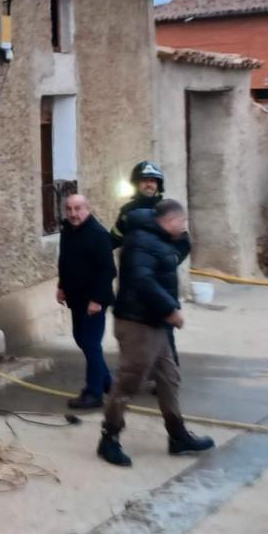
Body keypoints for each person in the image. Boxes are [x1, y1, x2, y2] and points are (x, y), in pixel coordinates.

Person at [97, 199, 215, 467]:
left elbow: (170, 262)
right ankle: (109, 438)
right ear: (171, 220)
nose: (184, 227)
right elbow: (142, 280)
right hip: (137, 324)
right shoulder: (142, 241)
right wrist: (170, 309)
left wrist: (184, 240)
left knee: (169, 377)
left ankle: (178, 436)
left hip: (155, 324)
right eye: (182, 222)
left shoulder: (159, 239)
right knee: (128, 382)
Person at [111, 160, 189, 372]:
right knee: (136, 330)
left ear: (159, 184)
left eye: (153, 181)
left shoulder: (166, 210)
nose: (149, 185)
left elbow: (184, 243)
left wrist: (170, 260)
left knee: (164, 329)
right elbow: (113, 239)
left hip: (161, 283)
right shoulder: (127, 212)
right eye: (144, 180)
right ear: (137, 183)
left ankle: (169, 373)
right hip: (134, 283)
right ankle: (139, 372)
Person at [56, 193, 116, 409]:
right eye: (69, 209)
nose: (73, 213)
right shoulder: (67, 231)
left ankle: (94, 393)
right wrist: (61, 286)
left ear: (87, 209)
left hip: (93, 301)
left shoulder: (98, 234)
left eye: (78, 208)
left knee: (91, 343)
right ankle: (108, 382)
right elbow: (64, 261)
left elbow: (108, 270)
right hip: (75, 298)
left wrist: (97, 300)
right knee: (81, 339)